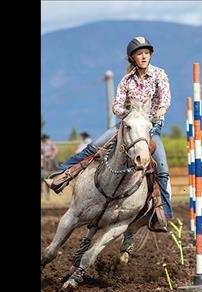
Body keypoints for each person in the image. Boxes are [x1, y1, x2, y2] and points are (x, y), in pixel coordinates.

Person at [45, 36, 173, 219]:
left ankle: (163, 212)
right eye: (139, 54)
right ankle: (62, 174)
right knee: (94, 146)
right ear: (132, 58)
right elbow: (117, 105)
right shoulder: (127, 80)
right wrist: (128, 116)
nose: (144, 56)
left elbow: (164, 99)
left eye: (146, 53)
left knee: (162, 167)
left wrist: (160, 114)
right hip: (127, 126)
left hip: (150, 129)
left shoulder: (160, 75)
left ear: (150, 55)